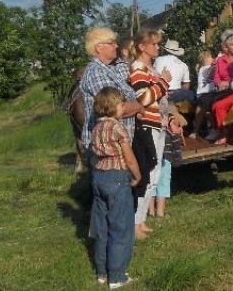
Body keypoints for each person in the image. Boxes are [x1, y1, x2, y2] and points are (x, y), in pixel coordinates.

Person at [90, 87, 142, 289]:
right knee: (121, 228)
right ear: (111, 107)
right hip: (117, 178)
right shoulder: (118, 128)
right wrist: (137, 175)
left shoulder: (96, 128)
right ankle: (117, 276)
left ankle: (102, 273)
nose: (124, 108)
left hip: (99, 177)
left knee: (102, 228)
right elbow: (129, 158)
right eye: (121, 104)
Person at [128, 29, 172, 240]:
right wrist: (163, 81)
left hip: (159, 124)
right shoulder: (137, 69)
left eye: (157, 44)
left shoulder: (151, 69)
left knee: (155, 175)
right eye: (153, 44)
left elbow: (160, 101)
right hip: (148, 125)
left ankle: (141, 220)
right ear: (141, 46)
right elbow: (144, 99)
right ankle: (135, 222)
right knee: (148, 173)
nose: (157, 47)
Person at [80, 28, 144, 161]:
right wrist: (139, 106)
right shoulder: (97, 72)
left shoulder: (109, 70)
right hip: (107, 150)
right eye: (111, 43)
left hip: (116, 146)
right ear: (99, 47)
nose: (116, 46)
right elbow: (114, 108)